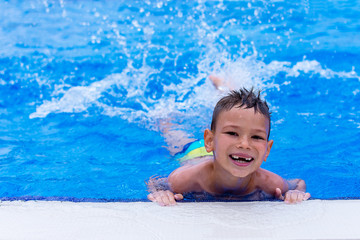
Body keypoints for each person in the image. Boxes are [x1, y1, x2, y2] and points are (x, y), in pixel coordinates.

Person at [147, 80, 310, 206]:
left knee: (240, 112)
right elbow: (156, 183)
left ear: (267, 150)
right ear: (210, 141)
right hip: (193, 153)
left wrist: (295, 194)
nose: (245, 144)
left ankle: (224, 86)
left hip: (223, 150)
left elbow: (298, 183)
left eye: (257, 137)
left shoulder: (270, 183)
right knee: (173, 133)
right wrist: (162, 193)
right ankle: (163, 118)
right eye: (233, 133)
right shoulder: (187, 179)